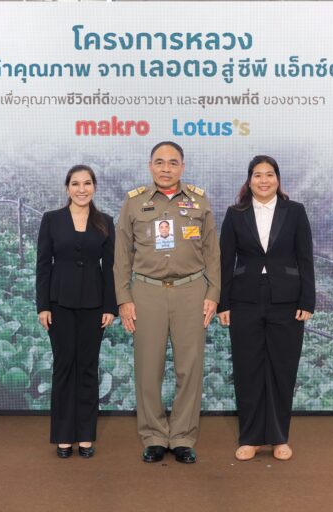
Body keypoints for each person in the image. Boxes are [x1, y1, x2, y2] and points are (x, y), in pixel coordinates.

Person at [114, 141, 220, 464]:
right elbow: (122, 257)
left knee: (190, 368)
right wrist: (124, 298)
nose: (165, 168)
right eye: (159, 162)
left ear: (182, 167)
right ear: (150, 166)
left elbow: (213, 253)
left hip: (191, 292)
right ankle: (154, 435)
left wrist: (213, 294)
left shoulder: (200, 202)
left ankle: (184, 436)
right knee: (149, 368)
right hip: (147, 293)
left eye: (173, 163)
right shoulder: (133, 204)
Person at [217, 155, 315, 462]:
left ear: (278, 179)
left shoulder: (295, 212)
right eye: (257, 175)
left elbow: (305, 258)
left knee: (282, 369)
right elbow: (224, 260)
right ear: (249, 180)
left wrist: (307, 301)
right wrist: (223, 303)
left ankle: (278, 438)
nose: (263, 180)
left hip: (286, 301)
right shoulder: (235, 214)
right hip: (245, 300)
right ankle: (250, 438)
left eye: (269, 174)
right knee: (248, 370)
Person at [36, 165, 117, 459]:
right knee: (64, 368)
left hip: (94, 306)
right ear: (67, 188)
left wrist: (110, 306)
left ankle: (84, 435)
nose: (81, 189)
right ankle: (63, 436)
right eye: (75, 184)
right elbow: (44, 265)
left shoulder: (105, 222)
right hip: (59, 305)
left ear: (94, 186)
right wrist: (42, 305)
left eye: (87, 183)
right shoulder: (52, 220)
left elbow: (110, 268)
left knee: (87, 369)